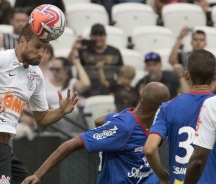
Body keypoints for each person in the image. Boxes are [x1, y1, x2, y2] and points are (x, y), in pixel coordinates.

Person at [0, 23, 78, 184]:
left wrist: (61, 111)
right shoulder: (3, 58)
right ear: (22, 41)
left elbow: (42, 118)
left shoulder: (36, 75)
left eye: (44, 48)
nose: (41, 53)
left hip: (2, 149)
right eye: (37, 46)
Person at [21, 82, 170, 184]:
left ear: (140, 98)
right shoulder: (124, 127)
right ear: (161, 107)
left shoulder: (130, 119)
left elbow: (99, 121)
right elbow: (71, 144)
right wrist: (38, 174)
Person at [144, 49, 216, 184]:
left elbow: (149, 149)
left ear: (187, 75)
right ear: (214, 77)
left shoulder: (167, 107)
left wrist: (163, 176)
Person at [69, 23, 123, 97]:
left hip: (109, 92)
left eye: (101, 35)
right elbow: (70, 62)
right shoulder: (83, 50)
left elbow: (121, 73)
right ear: (90, 37)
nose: (98, 38)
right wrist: (74, 48)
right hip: (86, 93)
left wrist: (116, 90)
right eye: (95, 35)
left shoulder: (115, 52)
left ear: (105, 36)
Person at [45, 57, 90, 135]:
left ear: (66, 69)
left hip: (70, 120)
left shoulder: (72, 83)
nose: (54, 72)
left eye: (57, 69)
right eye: (52, 69)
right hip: (51, 121)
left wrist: (77, 64)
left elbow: (86, 84)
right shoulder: (45, 83)